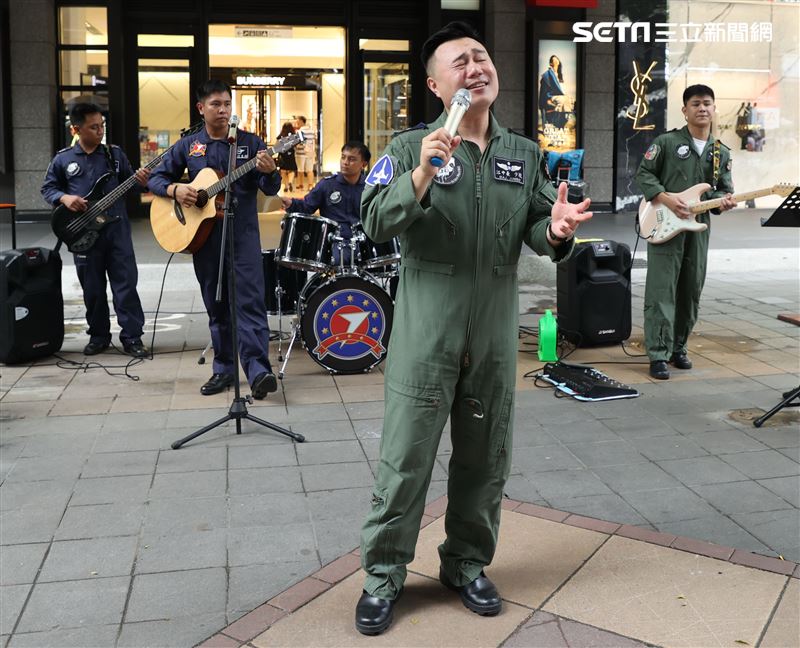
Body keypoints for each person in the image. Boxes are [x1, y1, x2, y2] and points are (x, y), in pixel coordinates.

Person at [355, 21, 592, 635]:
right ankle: (383, 576)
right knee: (406, 458)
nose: (476, 66)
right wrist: (423, 173)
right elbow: (376, 222)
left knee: (486, 459)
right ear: (437, 84)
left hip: (492, 334)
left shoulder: (523, 153)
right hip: (426, 333)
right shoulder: (409, 147)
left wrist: (558, 229)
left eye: (481, 56)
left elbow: (538, 226)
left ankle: (466, 563)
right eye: (459, 62)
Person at [148, 79, 280, 399]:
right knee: (216, 305)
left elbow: (271, 188)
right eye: (215, 105)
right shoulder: (189, 145)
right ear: (201, 108)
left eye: (227, 105)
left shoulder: (249, 143)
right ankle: (223, 369)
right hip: (205, 238)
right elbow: (155, 177)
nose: (222, 111)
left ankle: (258, 369)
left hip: (243, 237)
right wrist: (175, 189)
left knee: (249, 303)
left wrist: (271, 169)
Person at [635, 84, 735, 380]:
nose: (702, 108)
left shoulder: (721, 152)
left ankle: (679, 348)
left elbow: (723, 190)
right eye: (695, 104)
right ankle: (658, 354)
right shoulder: (666, 143)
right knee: (661, 290)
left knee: (691, 290)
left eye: (707, 103)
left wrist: (723, 203)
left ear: (714, 109)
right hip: (665, 224)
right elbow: (644, 174)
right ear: (685, 110)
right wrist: (666, 198)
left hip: (698, 231)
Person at [41, 102, 149, 358]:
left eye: (102, 125)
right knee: (93, 289)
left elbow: (131, 186)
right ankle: (98, 336)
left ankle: (132, 337)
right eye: (93, 127)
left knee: (125, 286)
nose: (100, 131)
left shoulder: (114, 154)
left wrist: (142, 182)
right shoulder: (63, 159)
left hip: (117, 232)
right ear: (77, 129)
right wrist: (64, 198)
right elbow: (48, 189)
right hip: (84, 235)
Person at [280, 141, 371, 265]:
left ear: (363, 164)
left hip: (363, 244)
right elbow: (307, 207)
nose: (345, 162)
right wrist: (291, 203)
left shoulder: (370, 188)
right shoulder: (327, 185)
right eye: (343, 157)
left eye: (352, 159)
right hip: (333, 244)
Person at [538, 54, 565, 127]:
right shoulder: (547, 75)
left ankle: (559, 124)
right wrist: (548, 99)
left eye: (557, 59)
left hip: (556, 98)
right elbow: (544, 90)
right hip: (549, 98)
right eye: (554, 59)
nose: (556, 60)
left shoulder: (558, 76)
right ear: (551, 63)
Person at [293, 115, 316, 190]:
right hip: (309, 153)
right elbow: (313, 142)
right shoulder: (312, 131)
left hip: (300, 153)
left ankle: (301, 185)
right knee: (310, 170)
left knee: (300, 170)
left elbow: (297, 143)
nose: (296, 123)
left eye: (297, 122)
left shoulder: (299, 132)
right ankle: (310, 185)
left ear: (301, 122)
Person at [276, 121, 298, 193]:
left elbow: (277, 146)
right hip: (291, 155)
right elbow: (296, 146)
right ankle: (290, 182)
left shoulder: (280, 136)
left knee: (283, 171)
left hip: (282, 155)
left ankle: (285, 186)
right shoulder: (293, 137)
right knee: (291, 170)